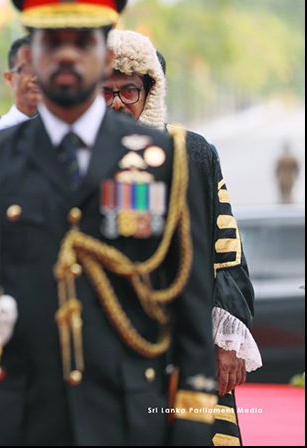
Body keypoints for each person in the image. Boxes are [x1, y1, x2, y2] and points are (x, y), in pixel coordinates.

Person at [0, 0, 217, 445]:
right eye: (52, 42)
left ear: (104, 54)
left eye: (83, 41)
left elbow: (190, 303)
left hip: (131, 417)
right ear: (31, 55)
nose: (67, 54)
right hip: (22, 415)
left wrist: (193, 425)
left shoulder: (162, 159)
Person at [103, 29, 261, 446]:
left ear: (149, 91)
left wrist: (227, 342)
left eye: (128, 91)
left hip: (184, 338)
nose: (117, 102)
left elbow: (226, 251)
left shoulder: (193, 153)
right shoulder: (73, 159)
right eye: (105, 91)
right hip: (101, 344)